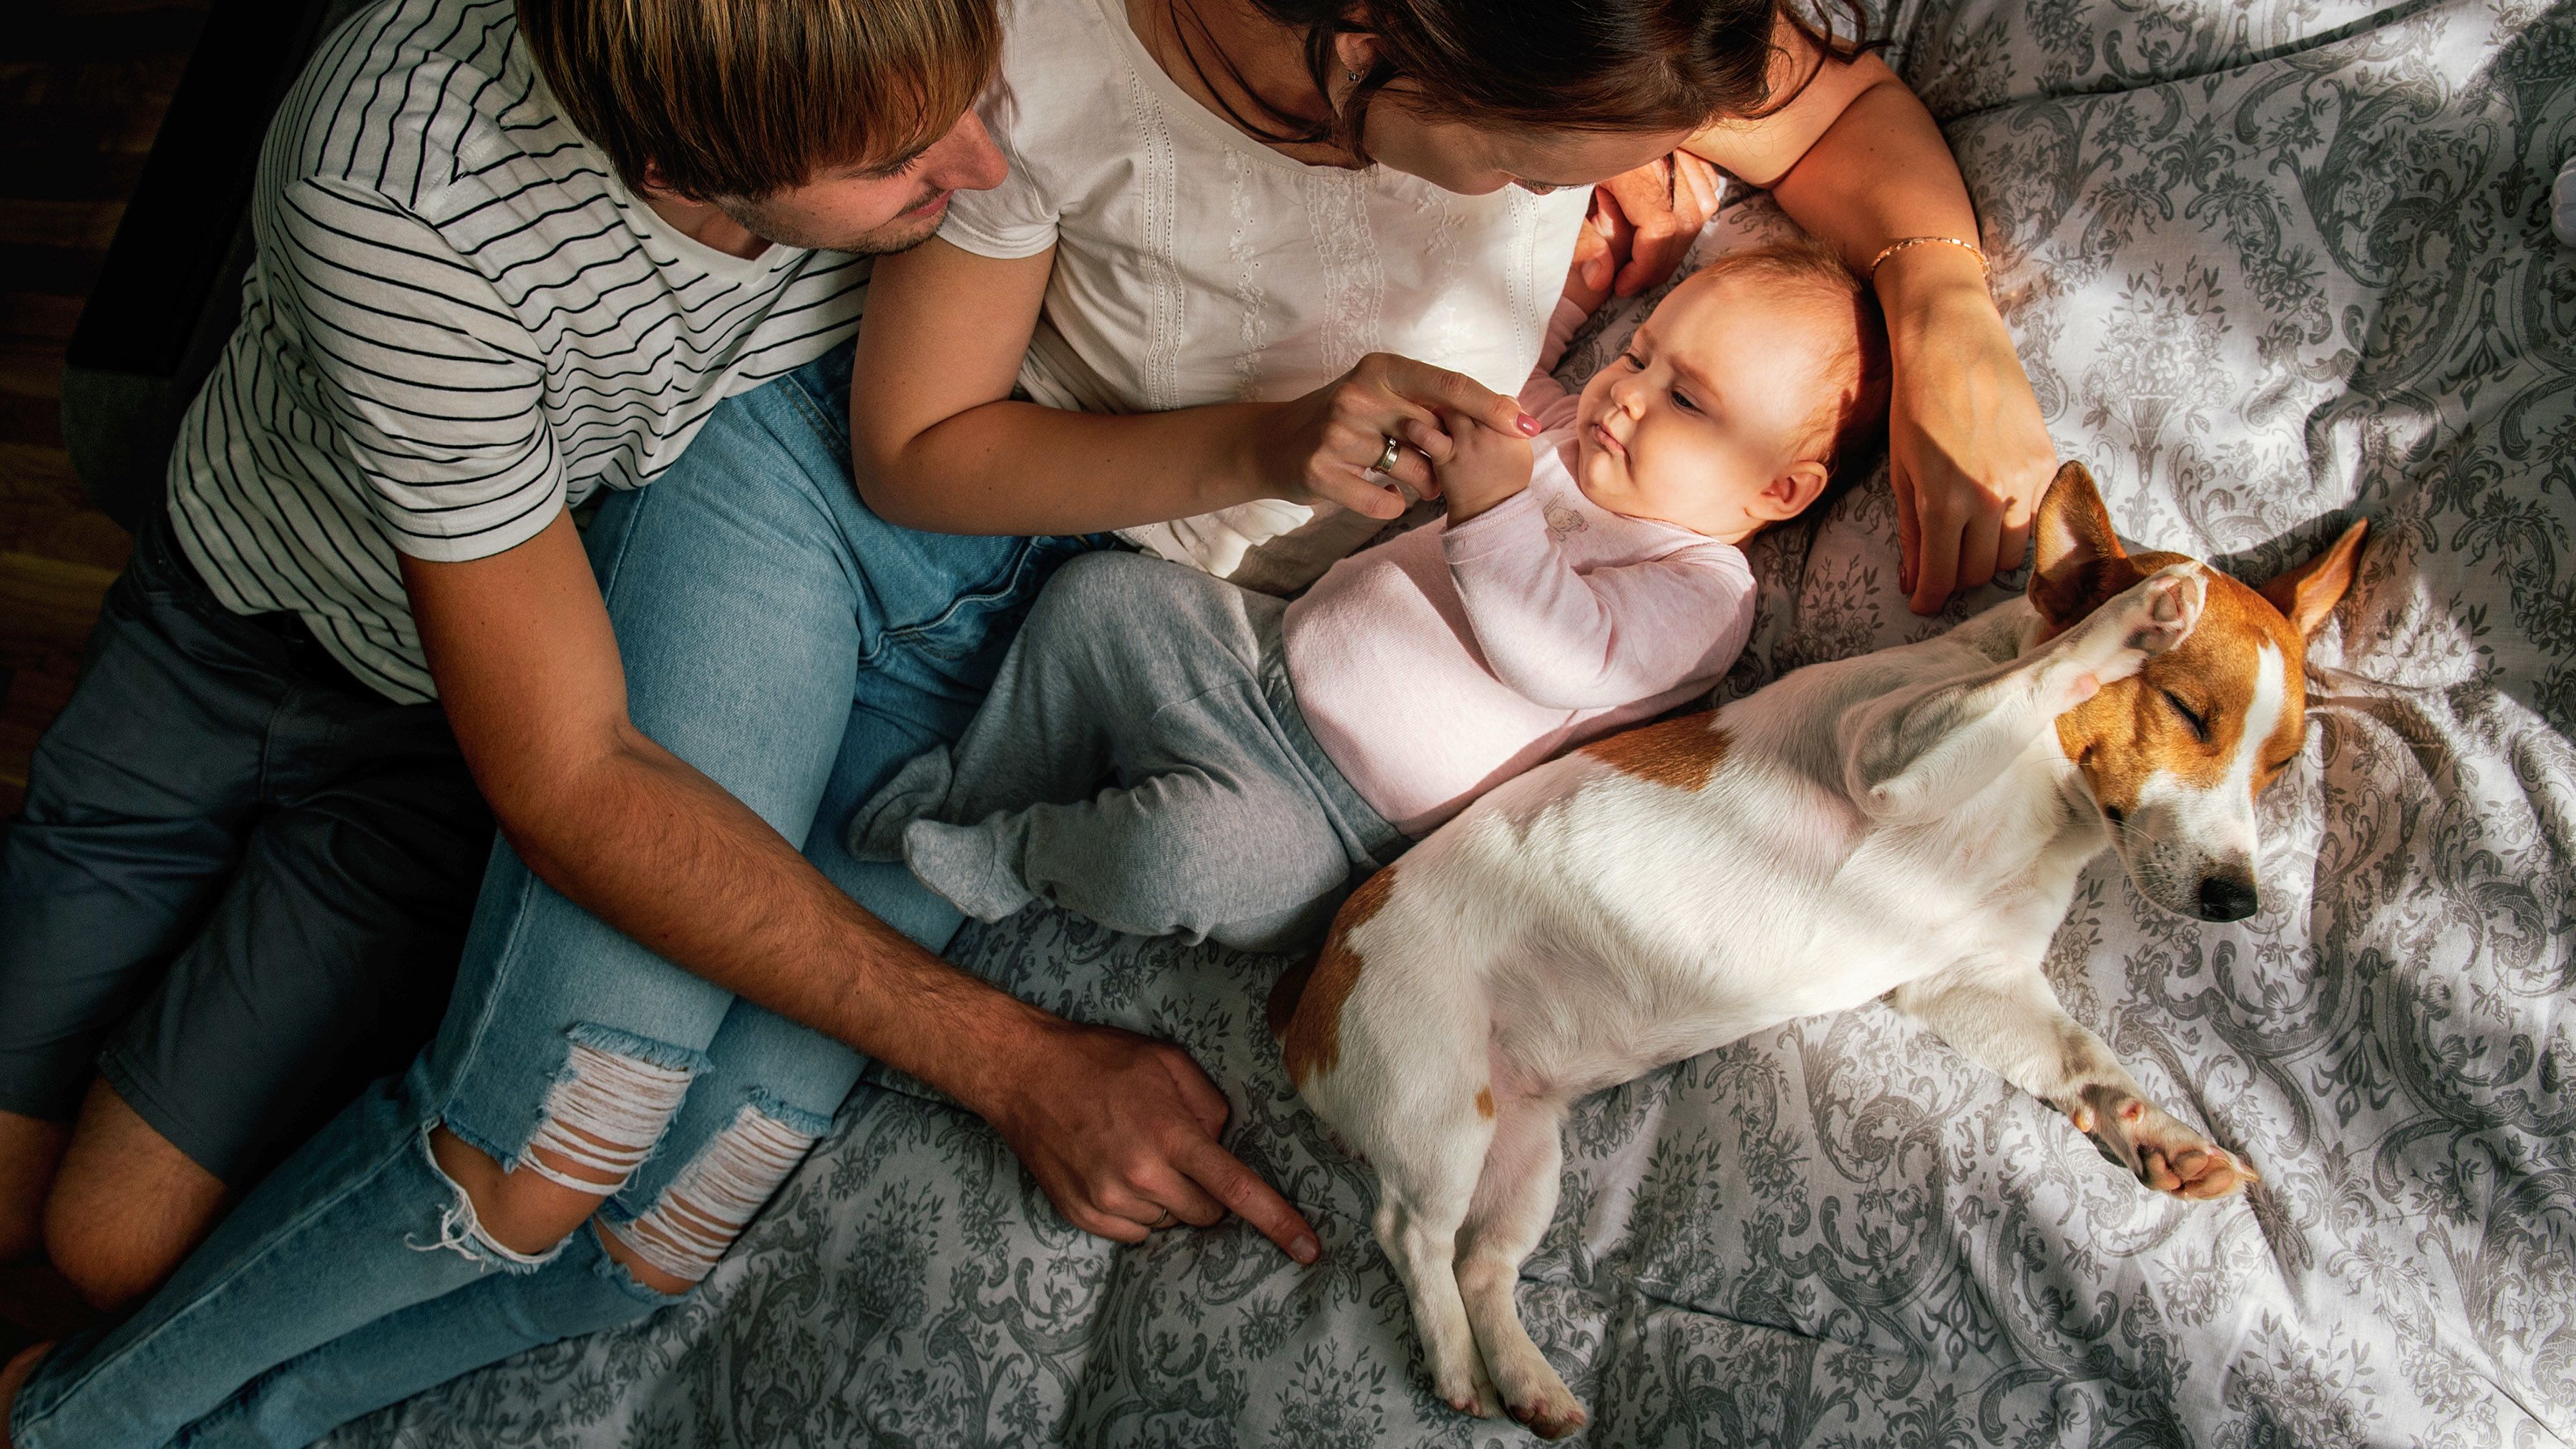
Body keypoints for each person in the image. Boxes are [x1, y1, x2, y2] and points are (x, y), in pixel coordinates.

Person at [5, 0, 2054, 1443]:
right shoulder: (1029, 69)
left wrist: (1947, 311)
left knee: (678, 1207)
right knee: (561, 1128)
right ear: (1386, 44)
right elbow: (881, 470)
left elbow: (1827, 115)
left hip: (1072, 625)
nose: (1619, 225)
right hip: (823, 515)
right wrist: (1011, 1050)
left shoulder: (1596, 50)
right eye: (1556, 175)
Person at [851, 240, 1890, 950]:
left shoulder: (1706, 591)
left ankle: (1015, 853)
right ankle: (975, 785)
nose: (1626, 391)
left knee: (1180, 863)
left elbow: (1562, 654)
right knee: (1095, 602)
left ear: (1779, 490)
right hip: (1250, 653)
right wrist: (1565, 300)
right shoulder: (1577, 432)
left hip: (1326, 821)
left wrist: (1492, 511)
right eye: (1639, 350)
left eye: (1687, 398)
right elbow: (1494, 377)